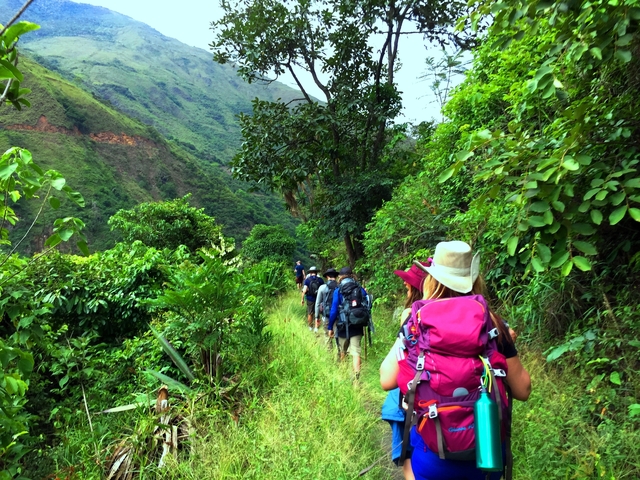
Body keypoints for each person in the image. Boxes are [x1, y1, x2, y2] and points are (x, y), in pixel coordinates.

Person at [379, 241, 531, 480]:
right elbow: (522, 390)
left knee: (409, 462)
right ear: (474, 278)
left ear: (432, 279)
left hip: (432, 455)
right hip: (487, 455)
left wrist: (404, 331)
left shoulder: (416, 322)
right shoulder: (494, 324)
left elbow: (386, 380)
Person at [382, 262, 430, 479]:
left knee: (409, 459)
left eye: (409, 282)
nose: (404, 283)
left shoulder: (411, 314)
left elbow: (388, 376)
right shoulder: (476, 313)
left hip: (415, 399)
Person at [328, 266, 370, 380]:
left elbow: (334, 310)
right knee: (356, 352)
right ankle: (356, 379)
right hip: (357, 323)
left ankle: (344, 375)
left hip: (342, 325)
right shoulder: (360, 289)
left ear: (340, 277)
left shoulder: (338, 290)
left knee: (343, 351)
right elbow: (367, 305)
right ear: (352, 275)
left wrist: (330, 326)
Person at [315, 268, 339, 339]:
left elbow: (317, 303)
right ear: (336, 276)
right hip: (339, 315)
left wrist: (317, 317)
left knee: (327, 337)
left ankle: (329, 350)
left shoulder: (322, 287)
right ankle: (339, 349)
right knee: (338, 337)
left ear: (327, 277)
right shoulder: (340, 287)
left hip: (326, 315)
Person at [301, 266, 324, 332]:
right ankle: (316, 327)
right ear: (316, 272)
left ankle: (310, 326)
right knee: (317, 313)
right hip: (319, 299)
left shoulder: (307, 280)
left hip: (310, 298)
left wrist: (302, 299)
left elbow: (304, 290)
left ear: (310, 273)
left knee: (310, 313)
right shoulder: (320, 280)